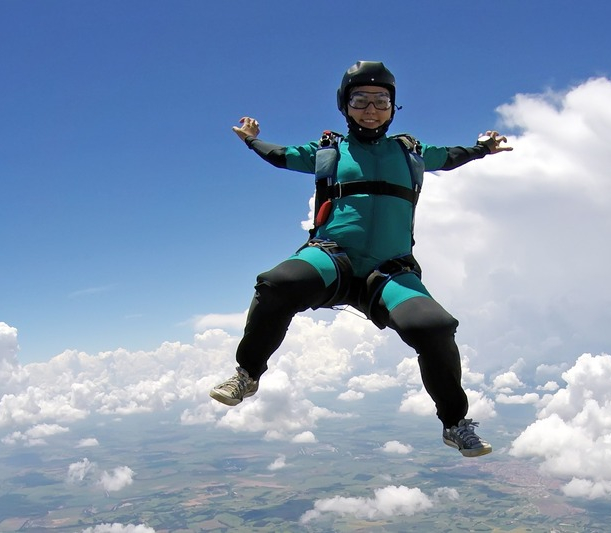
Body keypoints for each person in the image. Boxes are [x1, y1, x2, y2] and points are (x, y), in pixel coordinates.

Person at [210, 61, 512, 457]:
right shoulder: (329, 152)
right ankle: (247, 375)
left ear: (392, 108)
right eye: (360, 100)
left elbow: (450, 156)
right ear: (345, 106)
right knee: (277, 284)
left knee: (435, 328)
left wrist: (482, 149)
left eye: (381, 101)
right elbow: (282, 155)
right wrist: (252, 140)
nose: (371, 109)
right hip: (333, 258)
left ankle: (455, 423)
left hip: (389, 271)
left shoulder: (410, 152)